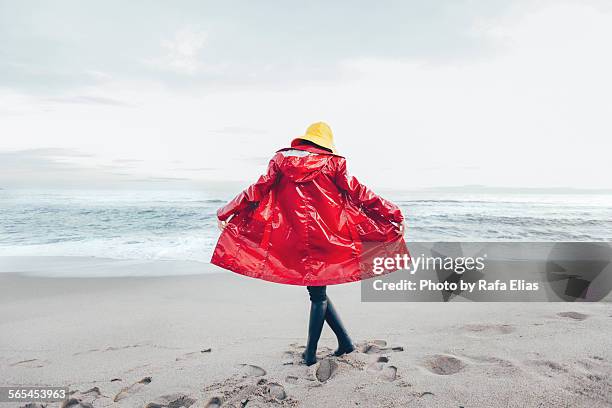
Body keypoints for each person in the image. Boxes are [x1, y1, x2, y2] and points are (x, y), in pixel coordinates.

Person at [212, 122, 407, 366]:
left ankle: (330, 348)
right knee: (318, 293)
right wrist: (394, 213)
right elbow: (360, 193)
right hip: (328, 236)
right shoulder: (334, 163)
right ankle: (326, 350)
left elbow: (257, 190)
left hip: (294, 238)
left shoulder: (280, 161)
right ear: (325, 143)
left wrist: (226, 211)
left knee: (317, 292)